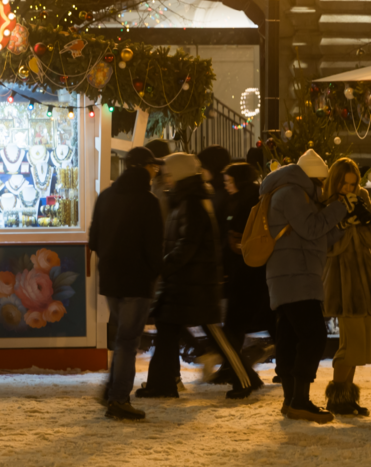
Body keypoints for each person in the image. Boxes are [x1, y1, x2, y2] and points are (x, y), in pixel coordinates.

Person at [140, 153, 259, 400]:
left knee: (215, 334)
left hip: (197, 282)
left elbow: (188, 243)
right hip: (184, 280)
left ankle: (245, 379)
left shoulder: (192, 202)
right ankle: (161, 384)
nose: (166, 179)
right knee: (167, 330)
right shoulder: (185, 199)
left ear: (180, 174)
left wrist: (164, 265)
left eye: (169, 174)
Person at [261, 149, 351, 423]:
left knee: (290, 338)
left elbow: (316, 237)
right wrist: (340, 208)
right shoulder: (291, 193)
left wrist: (344, 225)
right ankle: (299, 400)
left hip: (294, 275)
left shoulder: (297, 195)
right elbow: (311, 228)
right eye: (322, 182)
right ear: (314, 178)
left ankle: (291, 400)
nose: (323, 188)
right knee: (314, 336)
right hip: (295, 276)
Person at [89, 146, 166, 420]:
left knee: (123, 338)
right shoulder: (148, 201)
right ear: (143, 167)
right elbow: (155, 246)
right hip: (138, 281)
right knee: (127, 341)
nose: (155, 171)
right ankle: (119, 399)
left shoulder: (106, 196)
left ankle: (112, 391)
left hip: (111, 279)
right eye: (152, 166)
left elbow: (94, 240)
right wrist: (155, 273)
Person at [321, 157, 371, 416]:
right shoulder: (327, 204)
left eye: (353, 184)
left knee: (361, 344)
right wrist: (345, 223)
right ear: (335, 182)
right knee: (350, 343)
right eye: (344, 184)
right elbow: (328, 247)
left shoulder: (361, 198)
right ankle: (337, 398)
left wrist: (368, 219)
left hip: (365, 278)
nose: (349, 189)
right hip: (343, 280)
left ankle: (346, 396)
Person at [211, 161, 274, 387]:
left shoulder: (246, 200)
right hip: (251, 270)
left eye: (229, 181)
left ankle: (237, 370)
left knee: (235, 323)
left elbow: (240, 231)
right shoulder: (250, 197)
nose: (227, 185)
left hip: (246, 270)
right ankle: (233, 367)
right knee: (257, 321)